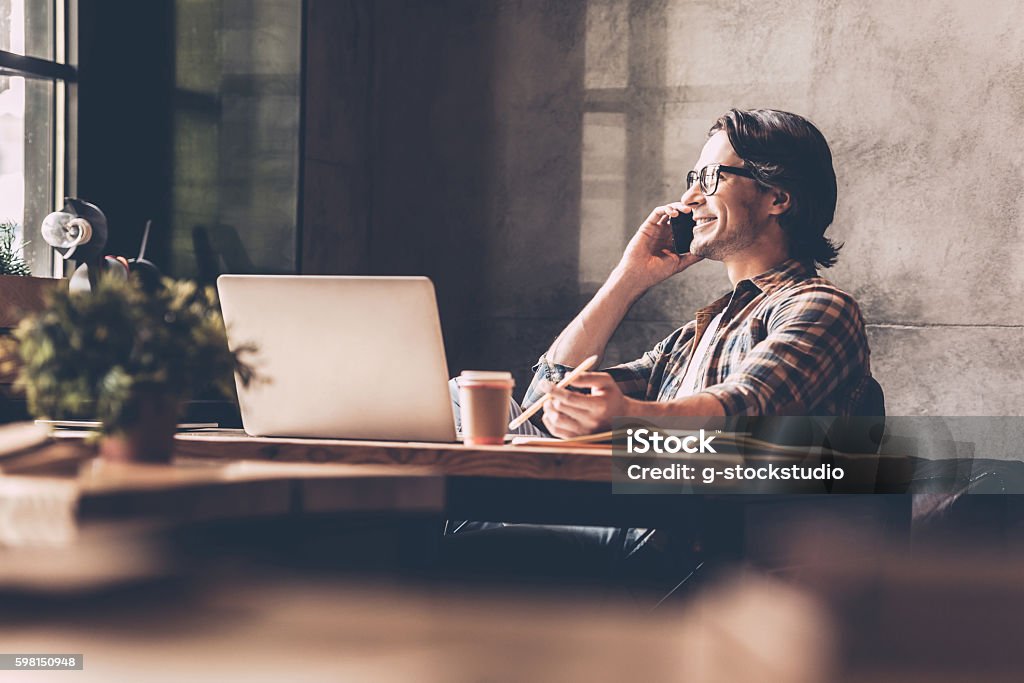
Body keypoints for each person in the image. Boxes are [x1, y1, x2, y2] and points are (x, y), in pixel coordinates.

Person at [445, 108, 874, 593]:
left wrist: (626, 416)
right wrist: (627, 279)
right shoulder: (695, 334)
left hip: (698, 553)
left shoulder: (821, 306)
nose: (690, 197)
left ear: (778, 197)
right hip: (632, 526)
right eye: (693, 178)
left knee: (445, 549)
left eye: (711, 177)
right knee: (445, 512)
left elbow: (745, 410)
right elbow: (547, 401)